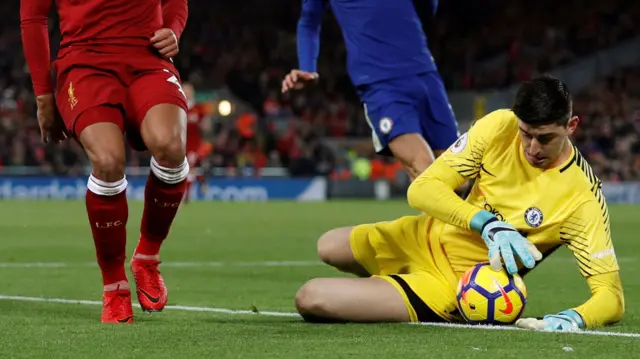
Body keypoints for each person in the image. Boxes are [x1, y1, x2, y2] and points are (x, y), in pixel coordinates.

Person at [294, 75, 625, 331]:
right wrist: (487, 223)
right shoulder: (499, 126)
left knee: (311, 298)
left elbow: (611, 297)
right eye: (526, 133)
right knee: (329, 245)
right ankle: (384, 290)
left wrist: (573, 319)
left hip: (452, 284)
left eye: (545, 138)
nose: (532, 148)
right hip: (424, 234)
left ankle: (391, 294)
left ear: (571, 126)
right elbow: (421, 191)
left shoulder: (581, 197)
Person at [20, 0, 189, 323]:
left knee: (170, 147)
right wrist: (43, 95)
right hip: (84, 65)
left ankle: (147, 257)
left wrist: (172, 29)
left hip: (147, 58)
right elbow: (33, 17)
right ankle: (114, 284)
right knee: (108, 161)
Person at [281, 0, 459, 181]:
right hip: (379, 81)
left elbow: (427, 9)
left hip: (424, 71)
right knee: (424, 166)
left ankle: (438, 207)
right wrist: (307, 66)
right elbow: (309, 21)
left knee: (460, 177)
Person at [182, 82, 209, 203]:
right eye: (185, 90)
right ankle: (202, 181)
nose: (187, 92)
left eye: (189, 90)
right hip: (180, 144)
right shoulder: (178, 107)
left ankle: (187, 197)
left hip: (194, 145)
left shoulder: (198, 109)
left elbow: (207, 126)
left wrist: (205, 126)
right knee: (184, 169)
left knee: (190, 167)